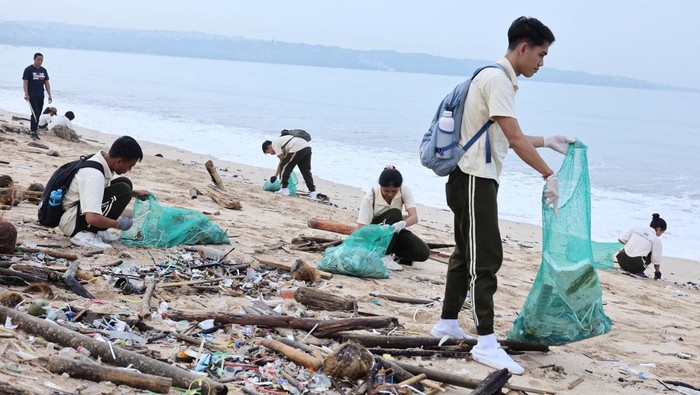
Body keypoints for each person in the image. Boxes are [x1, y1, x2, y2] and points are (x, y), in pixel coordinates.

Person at [429, 16, 574, 375]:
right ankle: (486, 342)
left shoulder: (493, 77)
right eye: (540, 54)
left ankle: (447, 323)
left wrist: (547, 140)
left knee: (466, 253)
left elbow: (504, 132)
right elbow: (513, 137)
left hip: (469, 177)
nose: (541, 63)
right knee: (486, 259)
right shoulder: (498, 80)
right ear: (523, 48)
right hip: (475, 179)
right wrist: (548, 173)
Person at [59, 136, 151, 249]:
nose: (129, 170)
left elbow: (100, 191)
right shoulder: (95, 175)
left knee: (125, 184)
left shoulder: (100, 160)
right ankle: (85, 233)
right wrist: (119, 224)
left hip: (75, 210)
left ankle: (98, 230)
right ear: (118, 161)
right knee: (123, 190)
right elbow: (91, 218)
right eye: (129, 166)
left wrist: (135, 193)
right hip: (72, 222)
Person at [357, 166, 430, 271]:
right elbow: (361, 228)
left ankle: (393, 252)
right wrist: (380, 230)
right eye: (386, 191)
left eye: (394, 191)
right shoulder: (371, 196)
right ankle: (384, 256)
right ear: (380, 186)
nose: (390, 194)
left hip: (394, 231)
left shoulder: (404, 190)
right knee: (396, 213)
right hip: (377, 234)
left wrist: (402, 224)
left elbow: (414, 217)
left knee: (423, 253)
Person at [616, 213, 667, 279]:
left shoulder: (636, 228)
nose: (660, 235)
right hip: (636, 266)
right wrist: (657, 272)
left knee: (632, 243)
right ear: (659, 229)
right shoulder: (656, 239)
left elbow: (621, 240)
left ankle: (625, 267)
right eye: (662, 232)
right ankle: (638, 272)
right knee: (652, 252)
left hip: (621, 260)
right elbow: (656, 260)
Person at [22, 52, 53, 140]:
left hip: (40, 95)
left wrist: (49, 95)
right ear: (34, 59)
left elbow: (46, 83)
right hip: (32, 95)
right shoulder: (28, 69)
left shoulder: (43, 70)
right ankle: (33, 131)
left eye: (41, 60)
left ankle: (35, 130)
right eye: (38, 60)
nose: (40, 61)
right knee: (35, 113)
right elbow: (25, 83)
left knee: (39, 113)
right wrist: (26, 94)